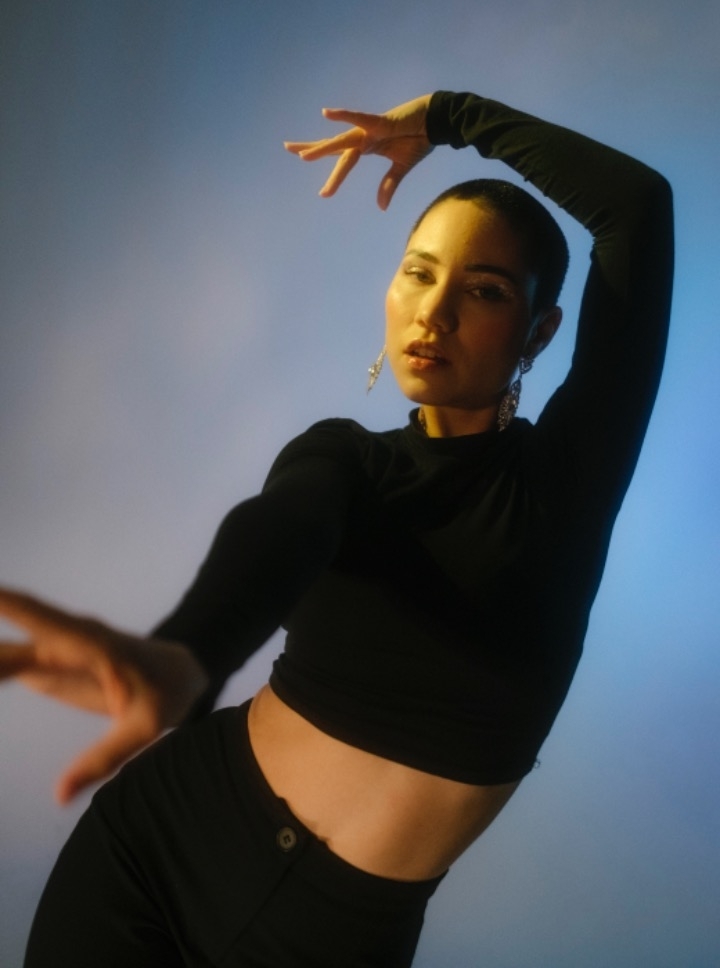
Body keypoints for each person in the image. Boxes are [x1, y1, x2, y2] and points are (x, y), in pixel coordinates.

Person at [0, 89, 673, 968]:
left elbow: (637, 208)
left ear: (539, 332)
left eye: (484, 290)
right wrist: (189, 654)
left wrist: (451, 117)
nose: (434, 312)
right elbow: (281, 531)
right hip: (153, 854)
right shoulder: (345, 458)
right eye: (419, 273)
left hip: (339, 941)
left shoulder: (567, 482)